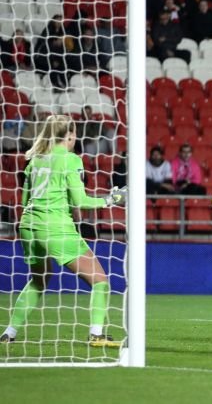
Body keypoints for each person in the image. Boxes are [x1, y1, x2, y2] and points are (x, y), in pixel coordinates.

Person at [0, 115, 126, 345]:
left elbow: (25, 199)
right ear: (68, 135)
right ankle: (96, 334)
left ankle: (9, 333)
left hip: (28, 226)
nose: (75, 137)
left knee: (38, 281)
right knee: (100, 281)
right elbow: (81, 200)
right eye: (74, 133)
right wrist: (112, 199)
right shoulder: (70, 160)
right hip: (55, 227)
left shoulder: (35, 160)